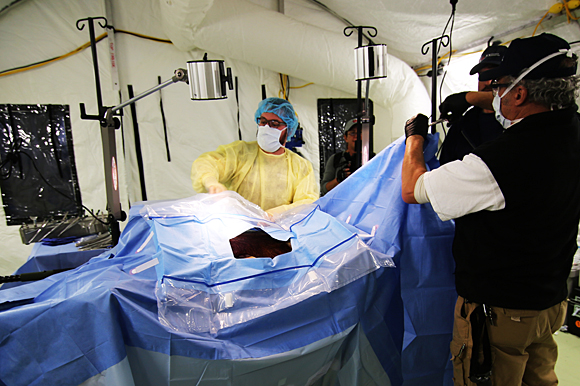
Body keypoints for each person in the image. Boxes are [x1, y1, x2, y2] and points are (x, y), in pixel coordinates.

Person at [401, 33, 580, 386]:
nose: (493, 96)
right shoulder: (572, 131)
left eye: (498, 87)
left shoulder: (501, 160)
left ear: (520, 93)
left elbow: (412, 189)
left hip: (500, 314)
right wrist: (467, 98)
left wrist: (414, 139)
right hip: (549, 304)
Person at [191, 97, 319, 215]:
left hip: (279, 231)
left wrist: (279, 213)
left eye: (274, 123)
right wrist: (211, 182)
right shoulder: (240, 153)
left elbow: (307, 202)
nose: (267, 127)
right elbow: (207, 163)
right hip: (239, 227)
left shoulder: (300, 166)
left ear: (288, 129)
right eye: (263, 122)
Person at [438, 42, 507, 165]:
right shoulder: (462, 125)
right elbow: (444, 166)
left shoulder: (516, 120)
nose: (488, 82)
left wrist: (468, 98)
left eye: (495, 75)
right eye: (483, 76)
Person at [320, 117, 360, 195]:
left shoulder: (372, 159)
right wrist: (338, 179)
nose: (356, 136)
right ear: (345, 137)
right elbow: (324, 188)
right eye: (352, 133)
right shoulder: (336, 159)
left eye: (360, 132)